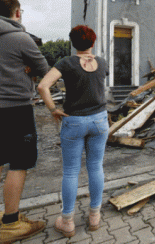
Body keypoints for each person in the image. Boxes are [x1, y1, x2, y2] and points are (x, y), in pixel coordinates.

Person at [0, 0, 49, 244]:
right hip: (15, 109)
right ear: (17, 13)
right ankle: (11, 223)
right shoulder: (21, 38)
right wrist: (29, 72)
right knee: (19, 164)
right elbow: (45, 70)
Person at [37, 25, 109, 237]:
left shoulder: (66, 63)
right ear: (93, 43)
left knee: (70, 171)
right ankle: (94, 215)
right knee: (95, 167)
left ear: (72, 43)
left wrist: (53, 110)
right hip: (99, 120)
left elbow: (43, 86)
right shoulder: (102, 62)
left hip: (74, 121)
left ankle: (67, 221)